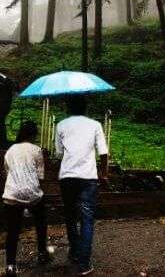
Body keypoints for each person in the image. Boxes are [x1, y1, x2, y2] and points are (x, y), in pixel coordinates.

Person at [54, 95, 109, 276]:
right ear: (86, 108)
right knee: (87, 219)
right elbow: (103, 152)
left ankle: (75, 252)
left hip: (67, 177)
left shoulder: (61, 125)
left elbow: (59, 153)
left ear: (68, 108)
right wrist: (104, 173)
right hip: (88, 177)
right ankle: (84, 264)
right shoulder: (95, 125)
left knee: (70, 216)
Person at [2, 121, 52, 276]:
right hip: (32, 194)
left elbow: (6, 171)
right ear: (33, 135)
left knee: (12, 231)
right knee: (41, 221)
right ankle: (42, 252)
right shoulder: (36, 150)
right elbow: (40, 176)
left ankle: (10, 265)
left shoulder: (10, 150)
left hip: (12, 194)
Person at [0, 74, 18, 145]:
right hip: (6, 105)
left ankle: (0, 139)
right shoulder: (7, 85)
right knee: (0, 121)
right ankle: (1, 138)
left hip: (2, 105)